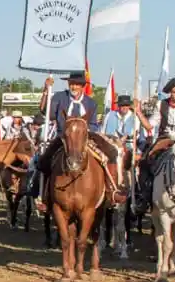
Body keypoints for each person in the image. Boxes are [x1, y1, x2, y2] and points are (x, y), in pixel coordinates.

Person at [29, 72, 125, 209]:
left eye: (77, 84)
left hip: (87, 137)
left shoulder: (90, 103)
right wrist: (46, 90)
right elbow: (46, 112)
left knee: (111, 152)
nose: (74, 86)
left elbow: (92, 124)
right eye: (71, 83)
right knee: (44, 160)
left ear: (82, 86)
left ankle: (112, 190)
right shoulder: (59, 97)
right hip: (64, 137)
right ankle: (43, 195)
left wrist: (85, 133)